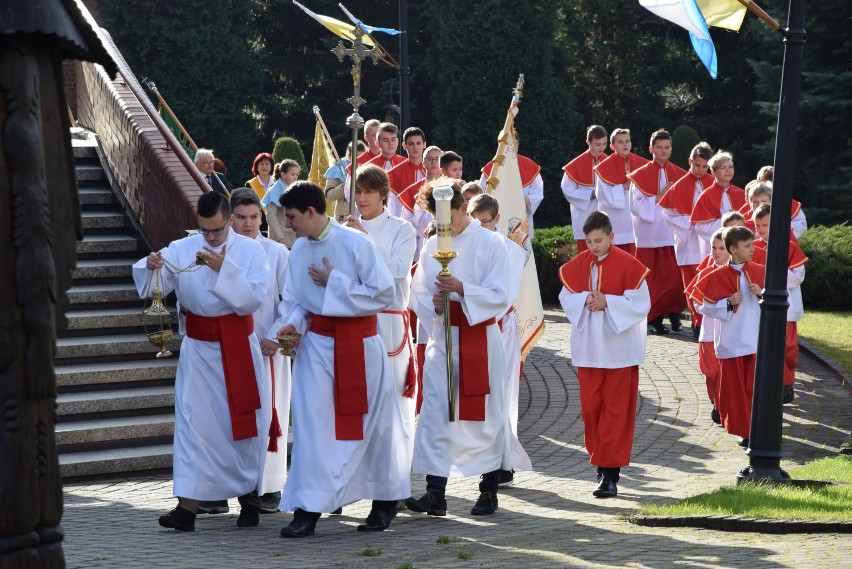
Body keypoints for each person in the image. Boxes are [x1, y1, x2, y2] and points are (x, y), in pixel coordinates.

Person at [272, 181, 410, 537]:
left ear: (311, 212)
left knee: (374, 426)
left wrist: (335, 281)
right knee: (313, 427)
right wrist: (290, 324)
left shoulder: (357, 243)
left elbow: (383, 294)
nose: (288, 225)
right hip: (317, 347)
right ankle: (309, 507)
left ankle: (384, 501)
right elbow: (297, 301)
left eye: (291, 217)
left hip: (360, 345)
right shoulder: (299, 251)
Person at [133, 191, 269, 531]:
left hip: (236, 344)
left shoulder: (251, 250)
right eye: (204, 230)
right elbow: (156, 283)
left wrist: (226, 270)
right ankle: (188, 507)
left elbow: (254, 297)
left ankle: (250, 500)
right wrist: (151, 267)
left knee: (241, 425)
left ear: (230, 221)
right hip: (198, 348)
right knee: (193, 425)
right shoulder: (183, 247)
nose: (210, 237)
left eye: (217, 230)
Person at [407, 178, 509, 517]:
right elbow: (418, 291)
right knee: (437, 413)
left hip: (480, 337)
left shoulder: (491, 243)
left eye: (448, 216)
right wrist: (436, 304)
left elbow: (502, 294)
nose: (442, 226)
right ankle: (435, 492)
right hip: (443, 336)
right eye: (437, 219)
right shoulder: (432, 244)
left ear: (463, 207)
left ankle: (488, 490)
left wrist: (463, 288)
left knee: (485, 415)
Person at [558, 211, 651, 498]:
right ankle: (600, 461)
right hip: (589, 350)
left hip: (620, 351)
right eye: (588, 241)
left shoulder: (630, 265)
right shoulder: (577, 265)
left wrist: (608, 301)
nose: (594, 246)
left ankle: (610, 474)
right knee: (591, 410)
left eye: (599, 240)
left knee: (616, 412)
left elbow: (641, 303)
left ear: (611, 236)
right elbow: (565, 297)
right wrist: (585, 298)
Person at [344, 165, 418, 463]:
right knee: (358, 400)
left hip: (388, 324)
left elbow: (396, 271)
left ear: (383, 195)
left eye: (369, 192)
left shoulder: (402, 229)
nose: (362, 198)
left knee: (391, 401)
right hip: (353, 324)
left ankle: (394, 474)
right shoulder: (343, 230)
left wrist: (363, 239)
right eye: (358, 191)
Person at [228, 188, 291, 514]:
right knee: (230, 417)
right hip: (230, 349)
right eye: (241, 217)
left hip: (267, 348)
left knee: (270, 415)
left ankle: (269, 486)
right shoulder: (220, 253)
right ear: (230, 219)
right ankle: (230, 484)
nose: (248, 223)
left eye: (254, 217)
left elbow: (290, 302)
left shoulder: (277, 254)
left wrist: (276, 337)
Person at [467, 193, 533, 486]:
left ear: (496, 219)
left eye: (485, 221)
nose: (479, 227)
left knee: (500, 394)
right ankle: (489, 457)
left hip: (499, 325)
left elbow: (503, 294)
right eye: (474, 221)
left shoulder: (512, 252)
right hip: (470, 324)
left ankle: (503, 460)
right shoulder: (465, 246)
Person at [691, 226, 764, 447]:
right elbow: (705, 307)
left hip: (756, 341)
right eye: (747, 246)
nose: (753, 249)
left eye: (752, 244)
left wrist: (762, 293)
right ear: (733, 249)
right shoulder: (717, 276)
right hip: (731, 342)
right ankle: (744, 431)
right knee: (736, 392)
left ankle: (759, 429)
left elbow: (781, 302)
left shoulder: (762, 271)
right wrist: (727, 303)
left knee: (755, 388)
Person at [628, 129, 688, 335]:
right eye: (659, 148)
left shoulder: (680, 174)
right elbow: (636, 206)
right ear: (651, 149)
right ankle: (654, 318)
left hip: (671, 232)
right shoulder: (640, 175)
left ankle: (674, 313)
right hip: (649, 234)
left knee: (672, 276)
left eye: (667, 147)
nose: (663, 151)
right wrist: (660, 196)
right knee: (652, 278)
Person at [751, 203, 808, 403]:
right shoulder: (753, 246)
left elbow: (798, 276)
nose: (759, 230)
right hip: (759, 306)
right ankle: (775, 385)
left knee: (787, 348)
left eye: (764, 225)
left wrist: (771, 276)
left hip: (787, 305)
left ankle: (787, 382)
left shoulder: (788, 246)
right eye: (757, 225)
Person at [660, 141, 715, 339]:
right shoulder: (680, 185)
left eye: (704, 166)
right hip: (688, 242)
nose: (700, 170)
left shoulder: (714, 184)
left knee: (709, 281)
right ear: (690, 161)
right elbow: (667, 213)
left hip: (709, 242)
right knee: (691, 283)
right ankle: (697, 321)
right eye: (697, 165)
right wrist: (691, 222)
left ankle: (708, 319)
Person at [686, 230, 728, 425]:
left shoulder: (738, 271)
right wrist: (718, 307)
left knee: (725, 375)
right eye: (714, 248)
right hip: (709, 333)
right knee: (710, 373)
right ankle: (715, 400)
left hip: (729, 334)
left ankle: (722, 406)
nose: (716, 252)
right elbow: (696, 303)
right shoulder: (705, 273)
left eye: (722, 248)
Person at [595, 129, 648, 254]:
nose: (625, 144)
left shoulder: (643, 164)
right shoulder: (603, 168)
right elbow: (603, 195)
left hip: (638, 221)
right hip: (616, 221)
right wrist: (624, 186)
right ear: (612, 146)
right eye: (620, 142)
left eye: (627, 141)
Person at [561, 125, 608, 253]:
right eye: (598, 144)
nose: (602, 148)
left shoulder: (609, 161)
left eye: (604, 144)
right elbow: (567, 189)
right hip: (584, 214)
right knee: (586, 252)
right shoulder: (575, 165)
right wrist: (591, 193)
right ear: (588, 142)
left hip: (606, 213)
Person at [689, 151, 746, 256]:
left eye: (730, 167)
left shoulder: (741, 194)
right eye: (723, 168)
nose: (728, 170)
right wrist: (727, 222)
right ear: (713, 172)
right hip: (716, 248)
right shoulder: (706, 195)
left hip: (738, 246)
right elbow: (700, 227)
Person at [479, 149, 544, 238]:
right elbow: (482, 193)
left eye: (513, 143)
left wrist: (530, 199)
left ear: (517, 145)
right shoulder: (492, 168)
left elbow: (537, 190)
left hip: (521, 216)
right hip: (497, 215)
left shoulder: (529, 166)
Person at [388, 126, 428, 218]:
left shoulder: (433, 170)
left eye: (418, 143)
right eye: (411, 144)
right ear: (404, 145)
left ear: (424, 145)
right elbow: (392, 205)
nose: (415, 147)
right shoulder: (394, 174)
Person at [325, 141, 367, 223]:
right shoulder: (338, 168)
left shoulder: (369, 168)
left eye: (362, 157)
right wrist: (345, 186)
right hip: (344, 218)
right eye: (357, 157)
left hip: (364, 217)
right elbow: (329, 195)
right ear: (349, 156)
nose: (359, 161)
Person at [262, 159, 301, 248]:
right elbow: (271, 215)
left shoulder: (294, 189)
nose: (295, 177)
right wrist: (279, 237)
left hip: (294, 235)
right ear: (283, 174)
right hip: (281, 238)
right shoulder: (275, 190)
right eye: (292, 174)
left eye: (297, 175)